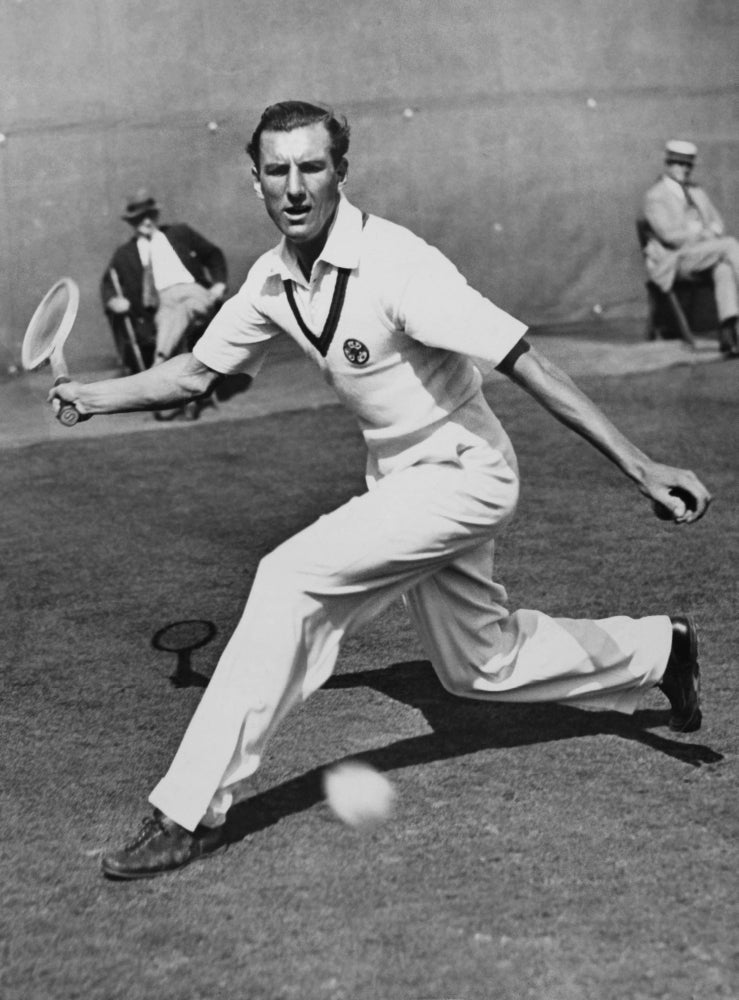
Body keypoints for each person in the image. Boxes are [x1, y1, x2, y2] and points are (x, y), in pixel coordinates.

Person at [51, 101, 712, 881]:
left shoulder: (400, 265)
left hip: (465, 475)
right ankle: (658, 648)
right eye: (277, 170)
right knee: (479, 668)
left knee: (287, 578)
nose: (294, 188)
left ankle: (184, 812)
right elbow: (195, 372)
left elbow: (524, 361)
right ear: (254, 179)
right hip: (399, 478)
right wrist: (95, 396)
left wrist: (642, 467)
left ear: (339, 172)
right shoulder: (269, 282)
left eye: (311, 167)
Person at [101, 188, 229, 417]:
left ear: (156, 215)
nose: (147, 221)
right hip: (162, 305)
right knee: (179, 315)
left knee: (184, 310)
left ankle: (158, 368)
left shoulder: (180, 233)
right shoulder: (124, 254)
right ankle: (187, 396)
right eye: (140, 217)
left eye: (150, 214)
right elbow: (108, 283)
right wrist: (113, 300)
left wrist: (219, 283)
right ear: (132, 222)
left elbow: (213, 254)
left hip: (195, 293)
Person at [642, 139, 739, 357]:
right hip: (675, 260)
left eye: (688, 165)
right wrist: (701, 233)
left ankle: (727, 333)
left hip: (704, 255)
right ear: (668, 164)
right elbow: (670, 236)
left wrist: (704, 231)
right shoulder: (655, 196)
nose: (683, 170)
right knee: (731, 245)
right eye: (678, 164)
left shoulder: (697, 192)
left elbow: (718, 224)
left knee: (724, 268)